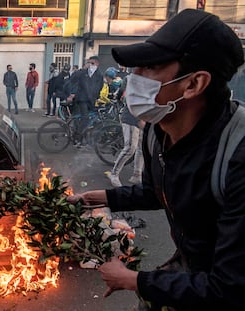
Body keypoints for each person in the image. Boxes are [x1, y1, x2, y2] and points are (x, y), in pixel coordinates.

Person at [68, 9, 245, 310]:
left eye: (149, 68)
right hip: (190, 264)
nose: (134, 80)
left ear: (194, 84)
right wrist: (100, 198)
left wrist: (132, 280)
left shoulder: (236, 156)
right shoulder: (157, 130)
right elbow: (157, 191)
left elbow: (228, 287)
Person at [104, 73, 145, 187]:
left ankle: (137, 175)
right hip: (131, 119)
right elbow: (131, 101)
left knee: (141, 148)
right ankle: (114, 174)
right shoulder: (135, 80)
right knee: (130, 148)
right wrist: (138, 120)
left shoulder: (147, 81)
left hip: (142, 119)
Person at [69, 55, 104, 147]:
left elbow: (99, 87)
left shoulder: (99, 75)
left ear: (97, 64)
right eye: (89, 63)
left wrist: (97, 97)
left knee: (89, 120)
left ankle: (81, 140)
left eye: (92, 63)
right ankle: (77, 136)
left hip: (91, 100)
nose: (90, 65)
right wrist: (83, 68)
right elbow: (73, 78)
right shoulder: (83, 72)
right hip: (82, 99)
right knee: (85, 118)